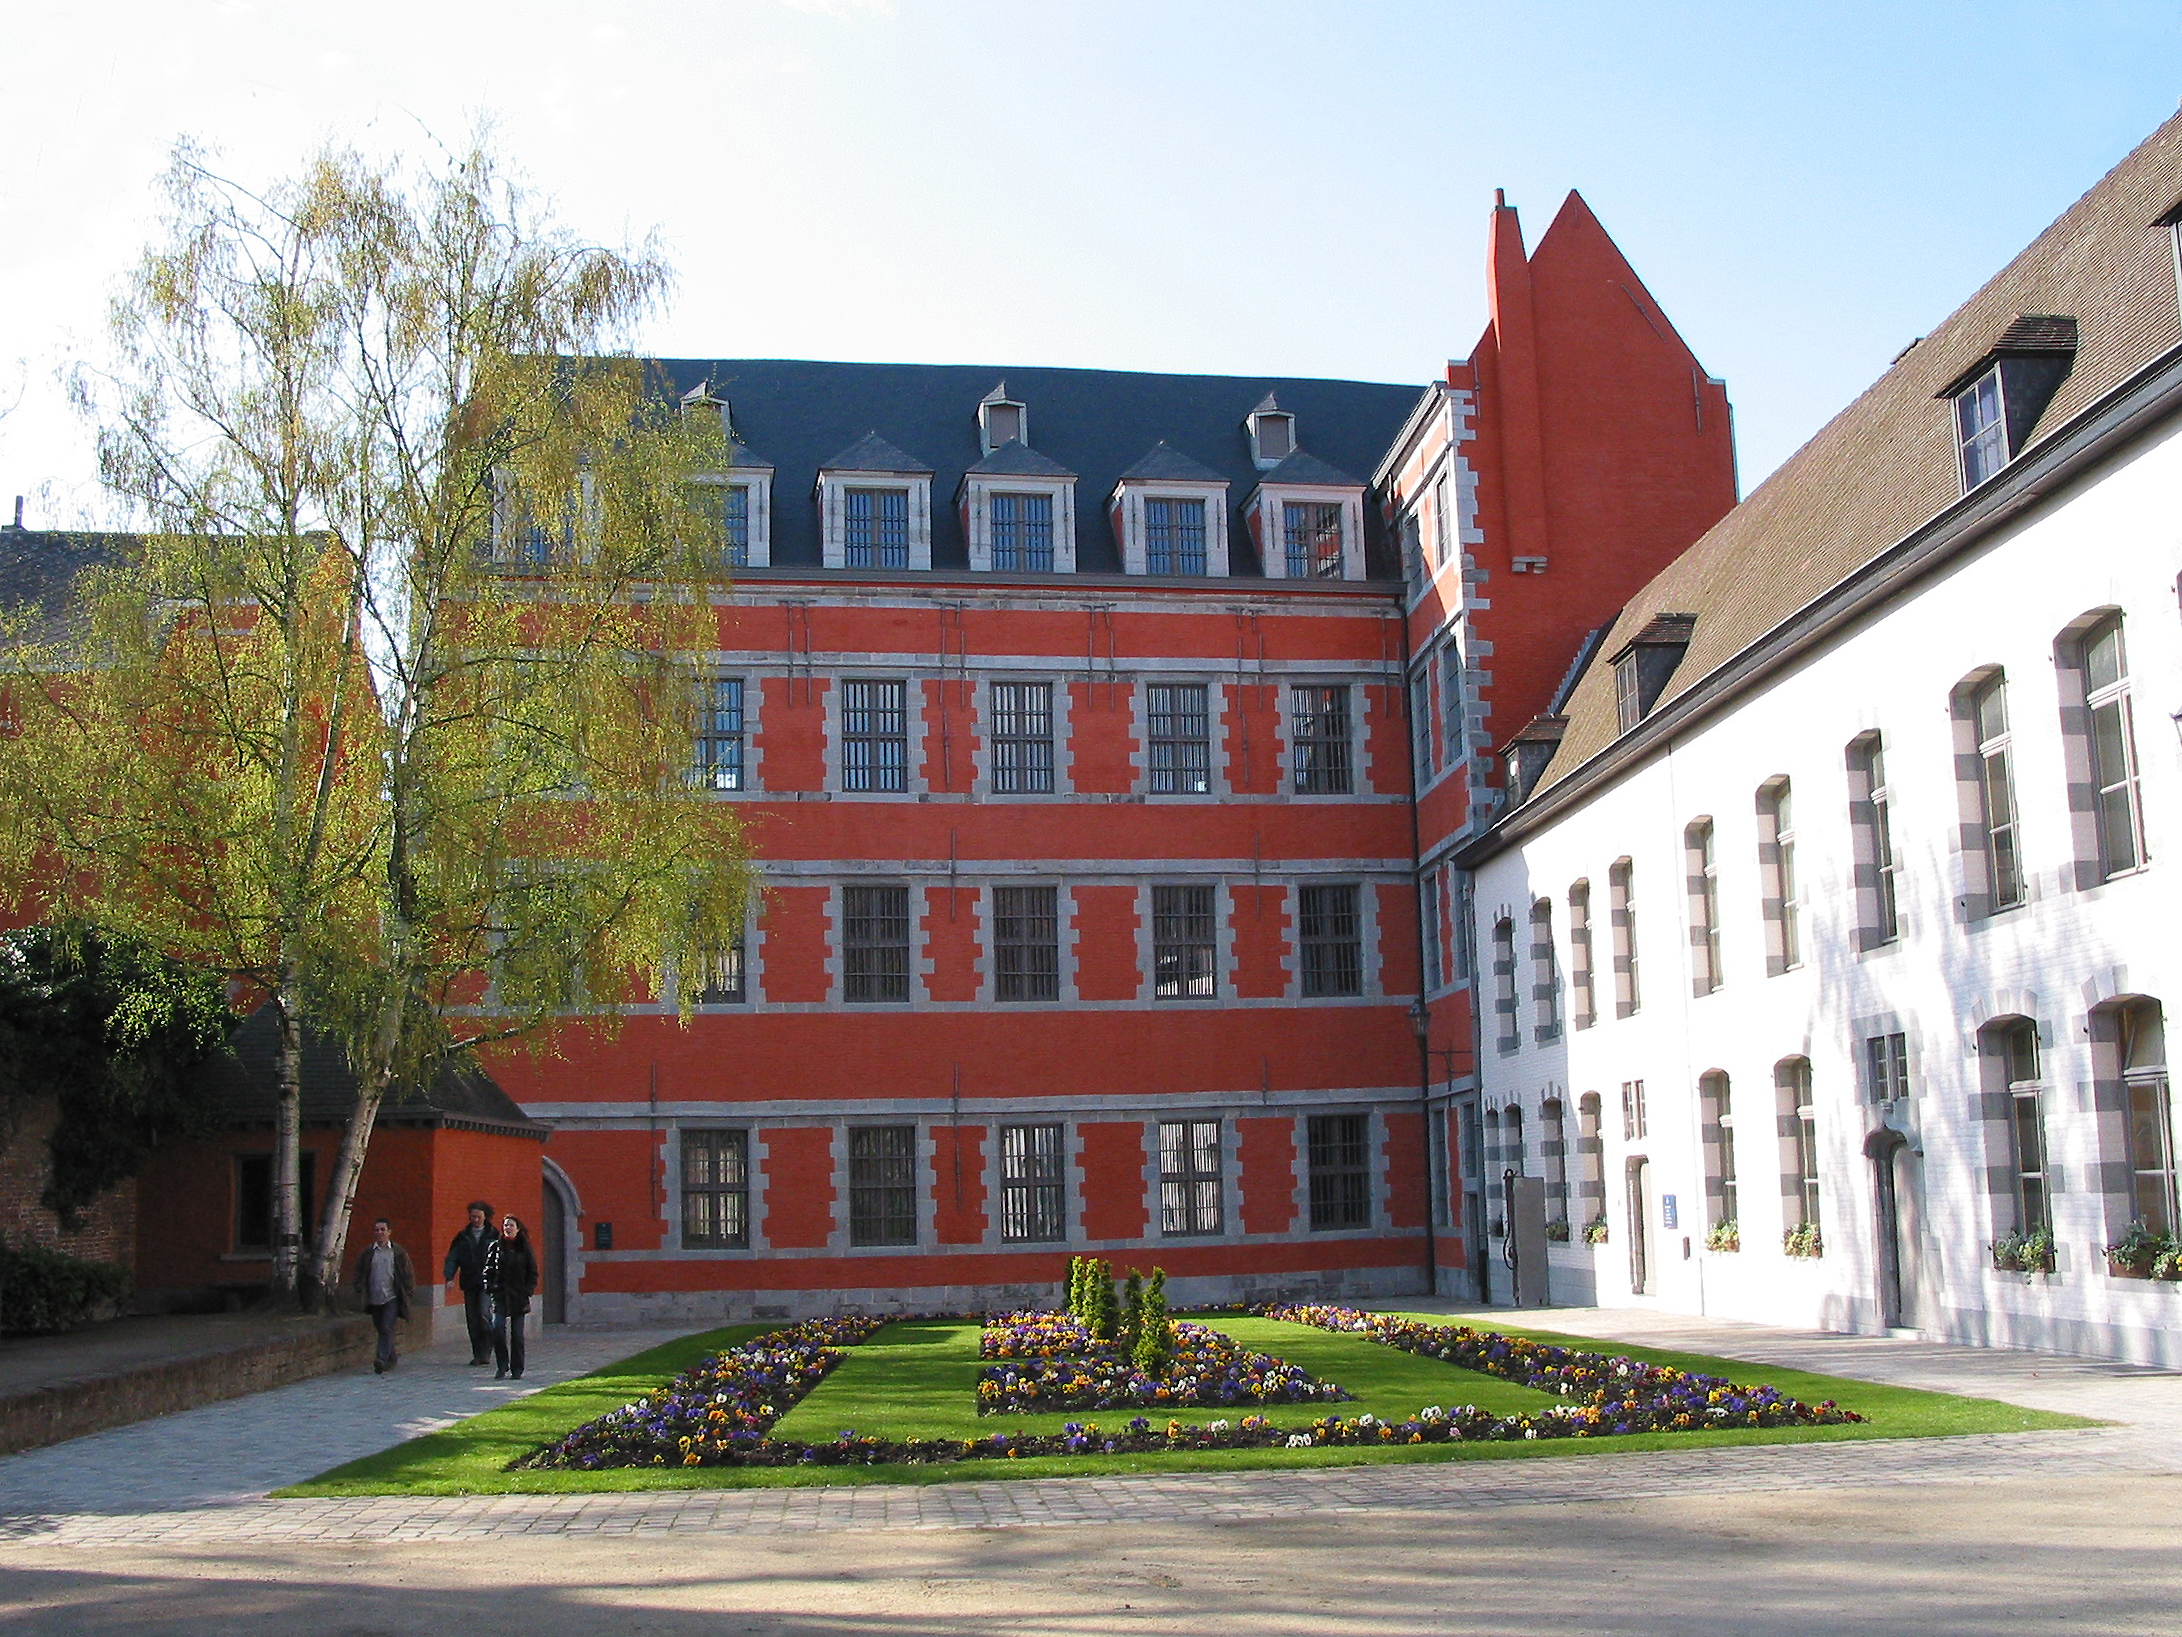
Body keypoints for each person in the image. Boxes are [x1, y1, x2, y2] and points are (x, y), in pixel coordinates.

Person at [350, 1217, 416, 1374]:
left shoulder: (398, 1252)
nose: (379, 1233)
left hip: (391, 1296)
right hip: (374, 1297)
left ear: (389, 1232)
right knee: (381, 1328)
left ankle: (380, 1359)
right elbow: (358, 1271)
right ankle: (391, 1357)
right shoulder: (368, 1252)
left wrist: (408, 1291)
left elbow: (408, 1273)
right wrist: (359, 1288)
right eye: (376, 1230)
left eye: (382, 1230)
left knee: (387, 1327)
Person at [482, 1212, 539, 1380]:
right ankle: (501, 1365)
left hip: (518, 1296)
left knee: (517, 1334)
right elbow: (488, 1270)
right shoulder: (495, 1246)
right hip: (500, 1295)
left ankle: (517, 1368)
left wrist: (527, 1290)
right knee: (497, 1329)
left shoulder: (524, 1247)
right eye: (505, 1225)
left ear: (518, 1228)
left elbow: (533, 1272)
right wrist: (490, 1287)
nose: (508, 1228)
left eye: (511, 1225)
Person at [442, 1200, 496, 1366]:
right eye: (473, 1217)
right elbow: (453, 1258)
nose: (475, 1220)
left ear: (485, 1217)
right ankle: (477, 1353)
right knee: (472, 1318)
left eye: (478, 1217)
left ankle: (486, 1350)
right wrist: (449, 1277)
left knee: (483, 1314)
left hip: (487, 1282)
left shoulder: (493, 1235)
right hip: (469, 1281)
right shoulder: (463, 1237)